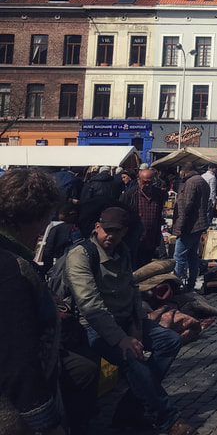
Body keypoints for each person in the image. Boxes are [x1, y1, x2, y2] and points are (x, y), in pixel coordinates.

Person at [67, 206, 193, 435]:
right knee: (133, 358)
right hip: (93, 326)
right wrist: (120, 339)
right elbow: (90, 305)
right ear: (97, 227)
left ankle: (129, 408)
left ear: (125, 231)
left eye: (117, 231)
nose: (111, 236)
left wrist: (136, 324)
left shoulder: (122, 250)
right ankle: (169, 419)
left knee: (170, 340)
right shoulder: (82, 254)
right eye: (107, 230)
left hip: (125, 320)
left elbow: (132, 289)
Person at [0, 169, 98, 435]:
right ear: (33, 216)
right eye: (46, 217)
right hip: (13, 415)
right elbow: (18, 356)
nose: (46, 227)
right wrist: (46, 421)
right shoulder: (12, 269)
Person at [171, 165, 211, 292]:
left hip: (190, 226)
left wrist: (179, 227)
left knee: (179, 256)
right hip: (198, 224)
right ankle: (191, 283)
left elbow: (185, 206)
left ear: (184, 172)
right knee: (192, 256)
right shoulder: (202, 181)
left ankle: (178, 284)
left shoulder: (191, 182)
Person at [121, 167, 167, 269]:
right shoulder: (130, 195)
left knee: (147, 268)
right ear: (138, 180)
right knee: (134, 268)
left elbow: (158, 216)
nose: (147, 185)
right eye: (144, 182)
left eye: (150, 183)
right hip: (134, 239)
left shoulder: (158, 195)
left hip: (151, 238)